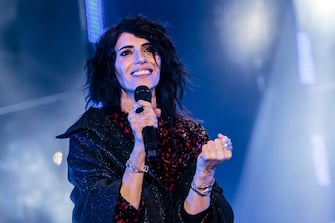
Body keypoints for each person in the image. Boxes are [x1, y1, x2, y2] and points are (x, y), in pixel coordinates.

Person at [57, 15, 234, 223]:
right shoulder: (92, 133)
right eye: (126, 52)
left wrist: (204, 174)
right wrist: (139, 148)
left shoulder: (189, 135)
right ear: (112, 69)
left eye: (149, 49)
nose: (141, 58)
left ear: (162, 60)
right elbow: (102, 216)